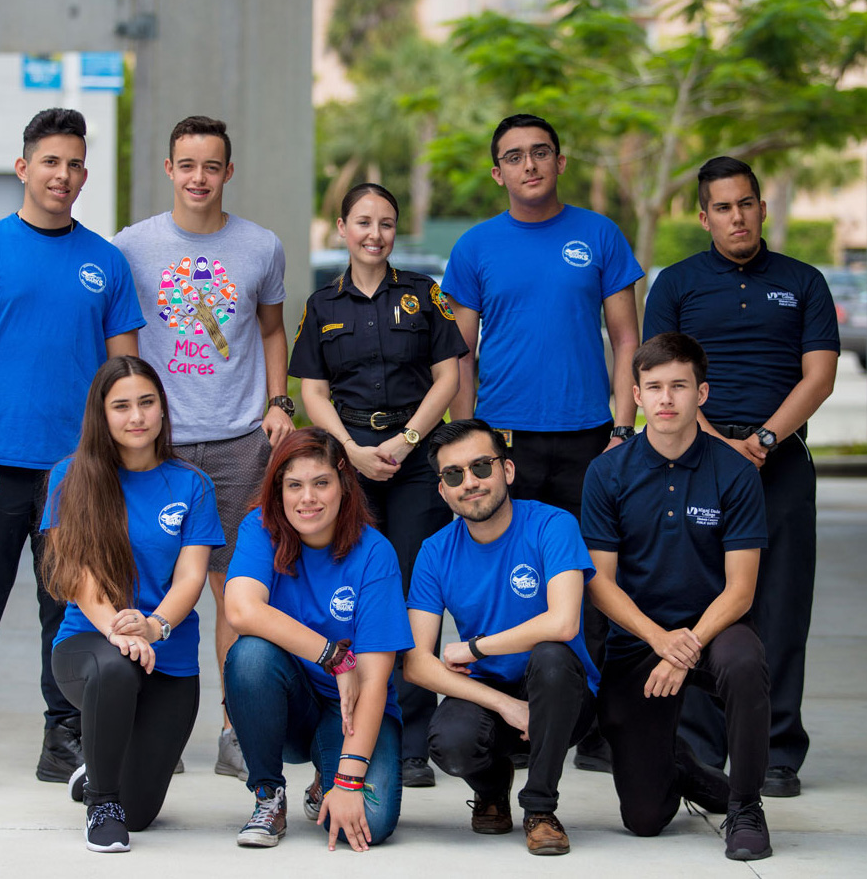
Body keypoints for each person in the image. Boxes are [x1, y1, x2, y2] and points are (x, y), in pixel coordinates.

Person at [0, 108, 144, 794]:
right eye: (50, 161)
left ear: (84, 174)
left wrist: (114, 464)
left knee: (68, 609)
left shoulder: (106, 262)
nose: (62, 175)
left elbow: (124, 378)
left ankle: (63, 736)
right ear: (23, 167)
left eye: (74, 164)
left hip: (76, 475)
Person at [440, 112, 642, 772]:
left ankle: (596, 724)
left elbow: (627, 339)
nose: (529, 165)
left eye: (540, 152)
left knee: (594, 580)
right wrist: (468, 443)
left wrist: (623, 429)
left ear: (559, 161)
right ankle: (513, 713)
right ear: (497, 172)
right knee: (511, 578)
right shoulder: (475, 247)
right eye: (514, 156)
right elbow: (460, 353)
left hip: (590, 440)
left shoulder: (599, 235)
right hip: (506, 442)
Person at [643, 156, 839, 798]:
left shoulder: (804, 281)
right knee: (697, 599)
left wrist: (763, 440)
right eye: (723, 207)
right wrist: (713, 442)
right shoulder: (676, 284)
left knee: (780, 603)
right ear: (704, 217)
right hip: (695, 461)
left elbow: (819, 376)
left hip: (779, 463)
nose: (738, 217)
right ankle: (701, 746)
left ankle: (778, 751)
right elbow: (661, 376)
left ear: (762, 207)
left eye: (746, 204)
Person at [113, 115, 294, 780]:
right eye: (187, 165)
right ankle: (147, 729)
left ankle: (234, 730)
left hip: (239, 442)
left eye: (211, 166)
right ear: (169, 169)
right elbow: (120, 342)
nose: (198, 178)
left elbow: (271, 331)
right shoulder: (130, 247)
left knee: (234, 589)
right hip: (155, 445)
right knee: (145, 581)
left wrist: (279, 402)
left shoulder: (261, 246)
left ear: (228, 172)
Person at [289, 182, 467, 787]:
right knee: (353, 586)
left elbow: (448, 377)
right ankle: (350, 727)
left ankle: (412, 742)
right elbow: (312, 392)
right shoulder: (322, 305)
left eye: (386, 223)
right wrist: (351, 452)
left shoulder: (423, 294)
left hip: (414, 460)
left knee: (415, 591)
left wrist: (408, 441)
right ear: (342, 228)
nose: (375, 234)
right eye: (363, 222)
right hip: (350, 460)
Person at [581, 332, 772, 861]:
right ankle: (682, 767)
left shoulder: (734, 472)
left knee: (744, 663)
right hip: (640, 638)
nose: (666, 399)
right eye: (655, 387)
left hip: (715, 628)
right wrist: (659, 640)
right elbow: (600, 582)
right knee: (644, 819)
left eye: (680, 386)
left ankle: (746, 806)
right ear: (636, 395)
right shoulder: (607, 472)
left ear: (701, 393)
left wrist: (685, 647)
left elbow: (741, 590)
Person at [41, 356, 224, 852]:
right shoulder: (69, 476)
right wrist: (119, 631)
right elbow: (78, 574)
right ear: (101, 414)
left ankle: (97, 774)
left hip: (168, 655)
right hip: (90, 644)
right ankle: (101, 802)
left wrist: (154, 626)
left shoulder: (191, 484)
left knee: (139, 815)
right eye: (121, 406)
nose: (137, 416)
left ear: (163, 408)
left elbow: (191, 576)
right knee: (116, 668)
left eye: (147, 402)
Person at [404, 419, 601, 857]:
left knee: (551, 656)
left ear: (507, 470)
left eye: (481, 467)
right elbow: (416, 662)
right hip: (491, 692)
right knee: (450, 741)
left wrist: (475, 647)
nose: (470, 482)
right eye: (453, 474)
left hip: (563, 697)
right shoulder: (435, 551)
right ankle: (492, 790)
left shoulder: (552, 524)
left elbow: (563, 623)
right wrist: (506, 705)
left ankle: (540, 809)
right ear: (442, 490)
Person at [222, 429, 412, 852]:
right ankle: (268, 796)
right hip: (290, 702)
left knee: (370, 824)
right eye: (294, 485)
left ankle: (326, 777)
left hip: (354, 707)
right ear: (279, 490)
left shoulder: (375, 552)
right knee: (249, 655)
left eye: (321, 483)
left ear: (344, 485)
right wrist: (334, 658)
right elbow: (242, 610)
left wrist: (348, 781)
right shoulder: (261, 527)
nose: (307, 498)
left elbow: (374, 680)